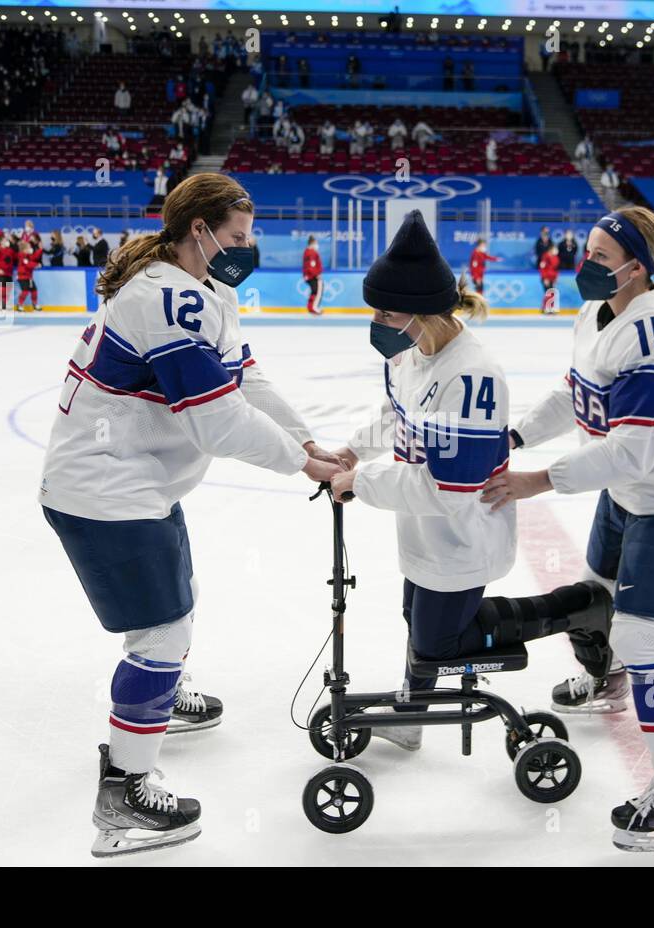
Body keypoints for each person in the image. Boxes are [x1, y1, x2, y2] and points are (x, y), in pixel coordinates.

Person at [37, 173, 345, 857]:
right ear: (198, 230)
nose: (246, 248)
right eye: (236, 237)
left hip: (138, 483)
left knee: (175, 608)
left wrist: (305, 441)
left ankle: (159, 702)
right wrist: (305, 466)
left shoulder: (205, 289)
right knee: (162, 635)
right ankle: (125, 794)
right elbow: (217, 422)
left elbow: (248, 382)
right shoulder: (164, 295)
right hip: (106, 488)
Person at [482, 206, 654, 853]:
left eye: (598, 255)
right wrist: (514, 436)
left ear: (636, 266)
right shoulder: (597, 314)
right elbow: (575, 395)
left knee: (644, 630)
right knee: (597, 594)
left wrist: (537, 481)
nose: (584, 262)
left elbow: (634, 451)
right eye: (585, 250)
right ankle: (609, 677)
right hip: (632, 486)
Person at [326, 211, 612, 751]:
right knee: (417, 620)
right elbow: (394, 414)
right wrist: (352, 451)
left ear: (420, 312)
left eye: (385, 312)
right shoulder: (410, 351)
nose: (377, 322)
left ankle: (575, 607)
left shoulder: (471, 376)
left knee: (440, 640)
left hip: (462, 530)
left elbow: (447, 490)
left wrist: (359, 483)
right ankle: (412, 716)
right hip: (422, 528)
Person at [15, 238, 43, 312]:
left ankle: (35, 304)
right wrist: (37, 265)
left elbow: (34, 257)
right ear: (24, 249)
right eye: (29, 248)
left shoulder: (28, 256)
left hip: (29, 277)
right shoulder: (22, 256)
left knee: (34, 290)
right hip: (22, 277)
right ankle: (20, 305)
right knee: (25, 291)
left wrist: (40, 250)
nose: (31, 249)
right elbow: (28, 264)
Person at [0, 235, 16, 313]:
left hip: (9, 273)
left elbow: (14, 258)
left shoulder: (10, 250)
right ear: (1, 242)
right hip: (0, 273)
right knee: (2, 289)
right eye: (5, 240)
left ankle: (6, 303)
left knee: (8, 289)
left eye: (7, 240)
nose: (7, 241)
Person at [302, 234, 323, 315]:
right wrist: (316, 274)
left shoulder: (307, 251)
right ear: (312, 243)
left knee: (314, 291)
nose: (317, 245)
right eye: (316, 243)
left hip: (309, 275)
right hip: (312, 275)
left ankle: (311, 307)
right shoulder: (311, 252)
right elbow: (311, 265)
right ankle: (313, 307)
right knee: (317, 291)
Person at [538, 242, 560, 314]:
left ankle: (550, 309)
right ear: (550, 249)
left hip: (552, 278)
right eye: (554, 249)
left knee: (552, 294)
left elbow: (556, 269)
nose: (556, 250)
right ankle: (545, 308)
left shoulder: (556, 258)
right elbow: (542, 268)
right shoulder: (545, 257)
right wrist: (545, 278)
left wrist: (556, 278)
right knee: (548, 293)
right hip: (546, 278)